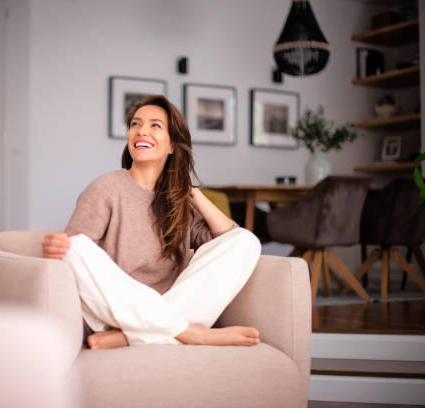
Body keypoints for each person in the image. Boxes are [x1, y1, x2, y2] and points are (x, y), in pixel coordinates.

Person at [42, 95, 261, 349]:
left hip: (167, 307)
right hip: (112, 312)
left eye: (155, 125)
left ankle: (134, 337)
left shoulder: (179, 202)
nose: (141, 131)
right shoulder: (106, 187)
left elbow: (227, 240)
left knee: (246, 241)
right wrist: (57, 249)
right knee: (76, 247)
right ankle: (192, 334)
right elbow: (73, 260)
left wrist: (191, 191)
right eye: (135, 124)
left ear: (173, 147)